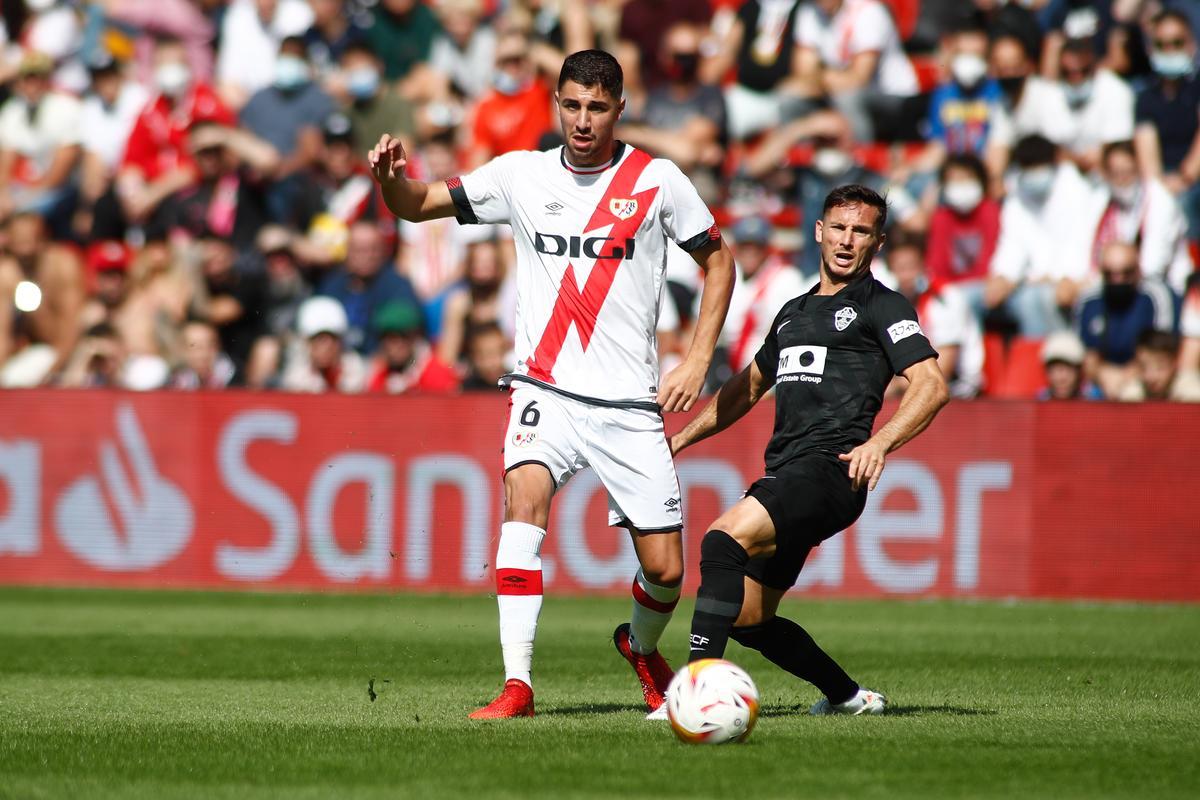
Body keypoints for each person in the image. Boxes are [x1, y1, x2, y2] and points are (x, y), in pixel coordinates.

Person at [368, 49, 736, 719]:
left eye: (598, 107)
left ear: (620, 109)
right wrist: (391, 181)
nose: (583, 120)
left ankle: (640, 645)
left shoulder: (659, 181)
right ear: (556, 105)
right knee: (522, 508)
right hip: (546, 391)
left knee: (665, 572)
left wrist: (697, 360)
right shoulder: (520, 175)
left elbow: (720, 261)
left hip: (629, 403)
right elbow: (418, 204)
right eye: (572, 105)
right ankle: (518, 685)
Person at [666, 184, 948, 718]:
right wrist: (680, 440)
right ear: (818, 232)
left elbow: (931, 384)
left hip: (832, 471)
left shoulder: (881, 305)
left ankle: (695, 692)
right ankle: (848, 697)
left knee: (722, 540)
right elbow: (747, 388)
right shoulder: (793, 312)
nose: (847, 240)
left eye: (861, 231)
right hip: (793, 471)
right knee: (748, 618)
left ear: (878, 242)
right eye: (839, 228)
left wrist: (881, 441)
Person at [1078, 241, 1178, 399]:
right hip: (1103, 379)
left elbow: (1161, 351)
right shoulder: (1089, 300)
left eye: (1126, 273)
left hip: (1148, 375)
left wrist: (1125, 377)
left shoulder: (1155, 297)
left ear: (1138, 270)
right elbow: (1087, 354)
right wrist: (1103, 374)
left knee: (1131, 394)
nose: (1118, 280)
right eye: (1109, 274)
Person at [1037, 330, 1102, 401]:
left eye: (1068, 370)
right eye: (1054, 370)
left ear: (1079, 370)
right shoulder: (1042, 400)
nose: (1061, 378)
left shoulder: (1093, 398)